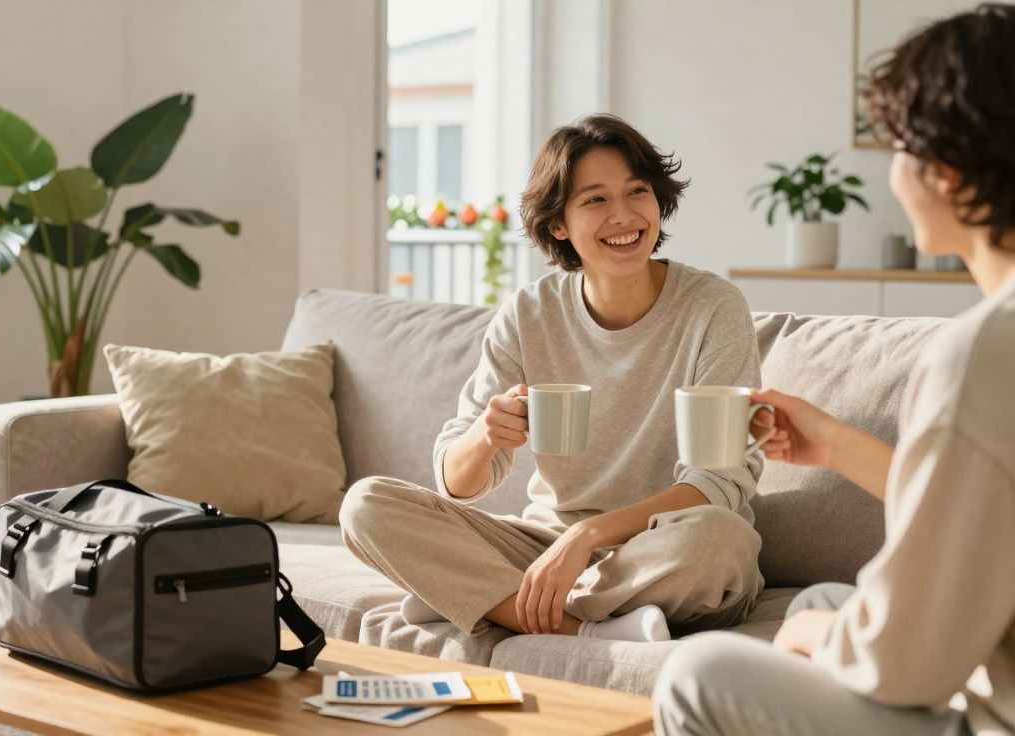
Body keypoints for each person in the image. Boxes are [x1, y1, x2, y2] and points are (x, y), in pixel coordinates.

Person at [654, 5, 1015, 734]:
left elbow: (909, 660)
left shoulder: (984, 349)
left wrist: (815, 641)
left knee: (699, 673)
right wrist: (836, 445)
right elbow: (989, 511)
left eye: (899, 149)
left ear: (943, 168)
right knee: (822, 597)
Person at [339, 114, 766, 643]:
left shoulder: (712, 308)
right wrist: (485, 436)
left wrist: (587, 537)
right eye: (595, 200)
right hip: (547, 545)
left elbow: (719, 482)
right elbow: (456, 483)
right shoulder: (528, 313)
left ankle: (489, 601)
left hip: (662, 549)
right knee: (367, 505)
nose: (625, 215)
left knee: (720, 544)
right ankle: (585, 626)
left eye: (638, 191)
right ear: (558, 223)